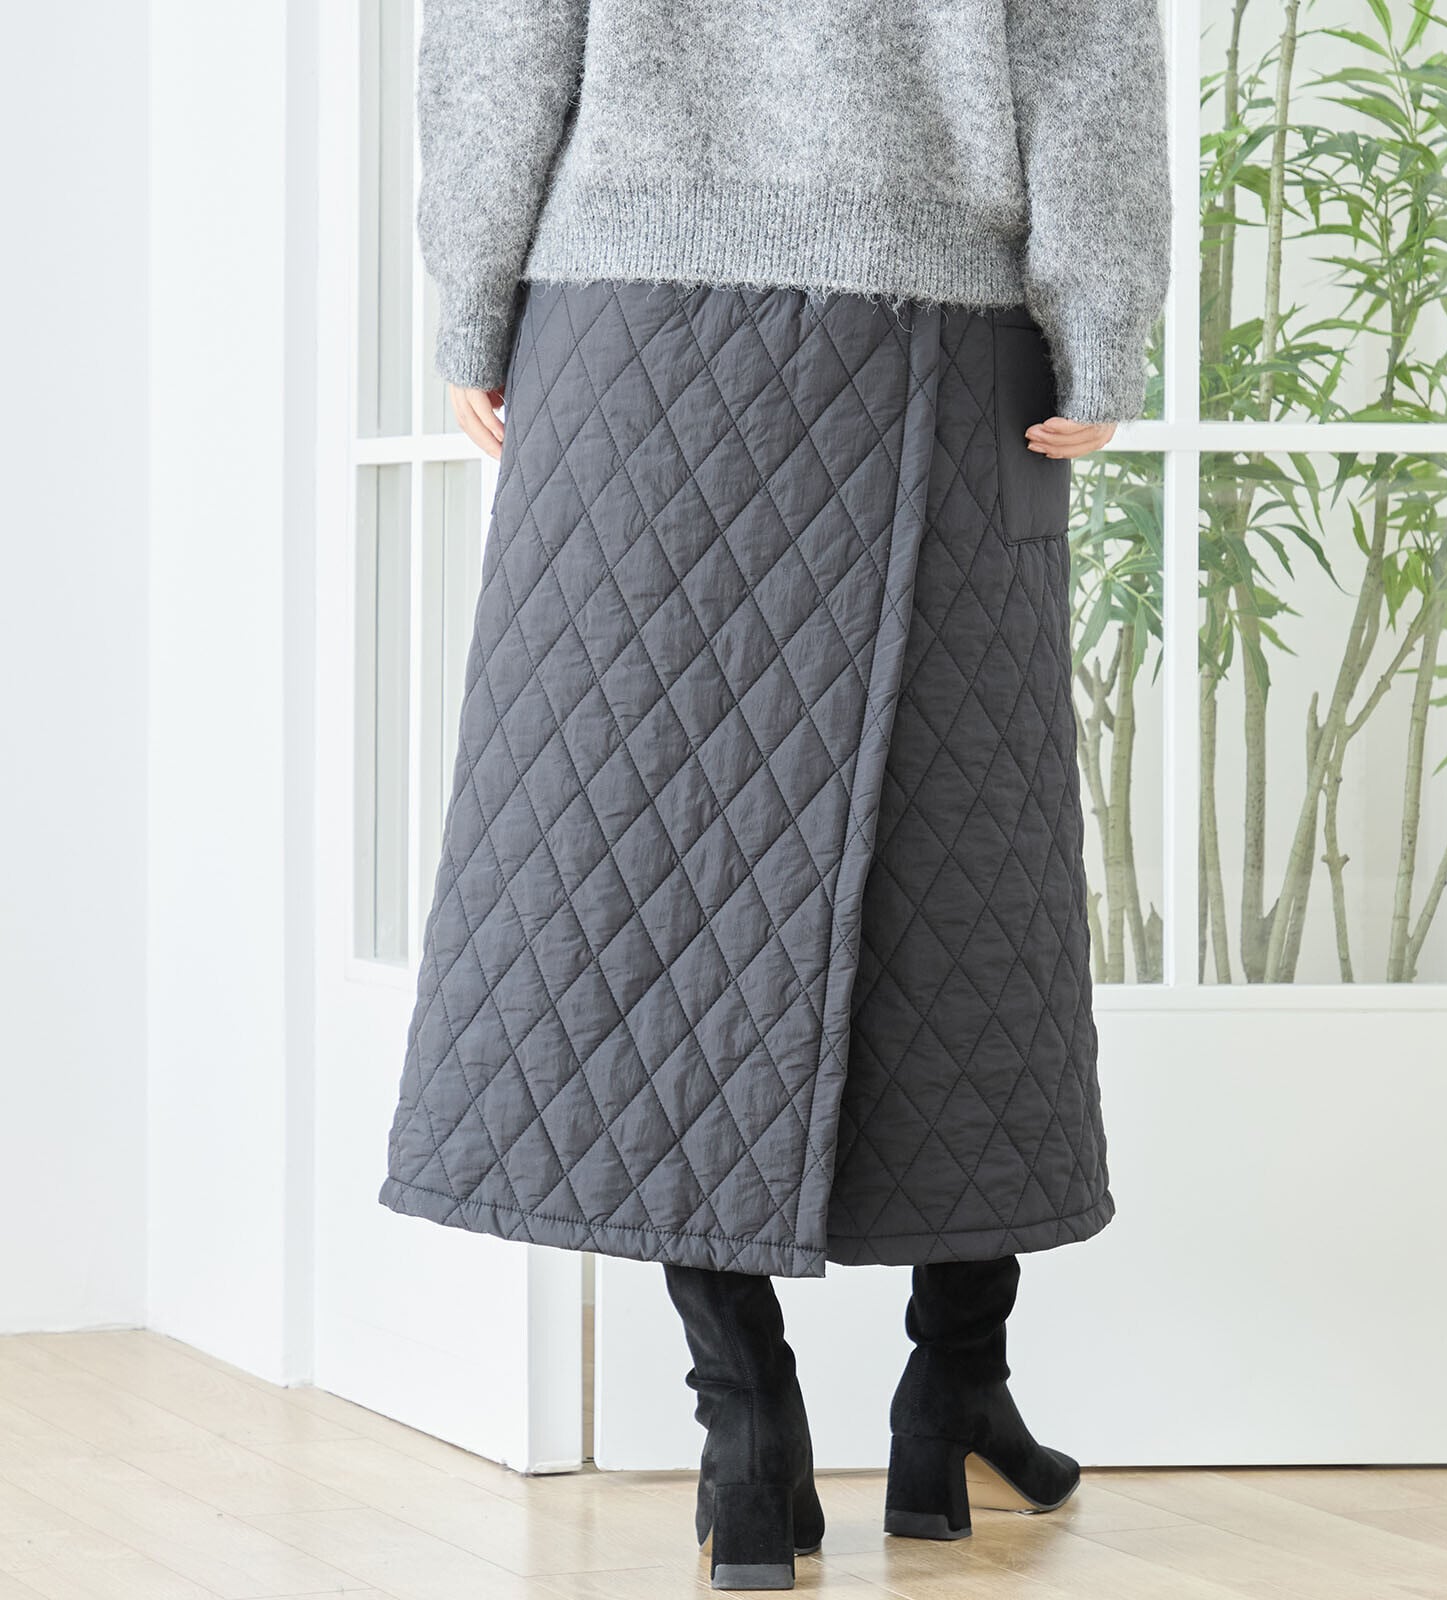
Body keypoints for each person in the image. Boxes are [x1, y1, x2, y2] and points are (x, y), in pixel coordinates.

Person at [378, 0, 1171, 1589]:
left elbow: (500, 38)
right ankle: (948, 1380)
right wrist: (1101, 317)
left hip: (624, 330)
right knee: (968, 880)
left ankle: (753, 1432)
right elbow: (1087, 53)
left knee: (654, 886)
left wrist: (475, 298)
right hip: (942, 337)